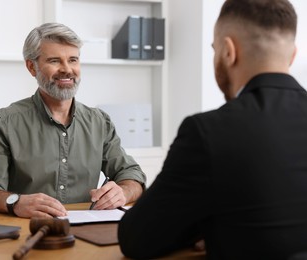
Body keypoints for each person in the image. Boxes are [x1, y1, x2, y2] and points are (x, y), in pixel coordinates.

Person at [118, 0, 307, 259]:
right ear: (292, 55)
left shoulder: (208, 132)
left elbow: (135, 239)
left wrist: (211, 227)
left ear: (228, 52)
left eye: (214, 49)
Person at [0, 23, 146, 218]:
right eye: (54, 61)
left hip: (87, 232)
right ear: (31, 67)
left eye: (73, 60)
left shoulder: (99, 122)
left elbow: (132, 174)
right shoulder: (5, 122)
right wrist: (15, 202)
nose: (67, 69)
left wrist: (123, 192)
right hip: (27, 231)